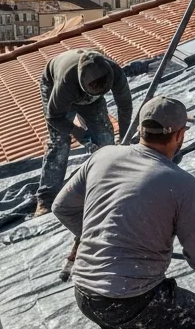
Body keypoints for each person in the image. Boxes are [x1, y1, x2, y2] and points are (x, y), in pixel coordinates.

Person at [22, 96, 195, 329]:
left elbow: (60, 207)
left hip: (85, 292)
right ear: (179, 135)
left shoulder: (103, 157)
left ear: (142, 131)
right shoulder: (182, 184)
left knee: (133, 328)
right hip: (133, 299)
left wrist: (92, 233)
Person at [34, 49, 133, 216]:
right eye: (95, 86)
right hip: (54, 86)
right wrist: (75, 130)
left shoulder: (114, 72)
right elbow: (53, 117)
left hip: (91, 99)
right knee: (59, 142)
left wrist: (125, 138)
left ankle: (107, 181)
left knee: (105, 138)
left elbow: (125, 108)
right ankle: (46, 198)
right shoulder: (66, 84)